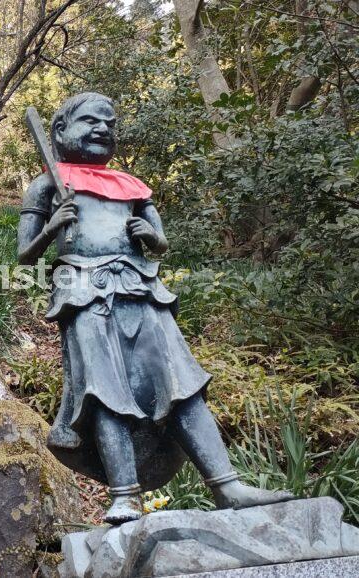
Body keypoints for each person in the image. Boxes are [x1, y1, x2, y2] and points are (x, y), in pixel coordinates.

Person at [17, 92, 292, 524]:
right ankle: (124, 494)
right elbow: (24, 254)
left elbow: (159, 241)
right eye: (90, 121)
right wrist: (52, 227)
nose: (103, 129)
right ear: (59, 131)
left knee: (181, 383)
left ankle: (227, 485)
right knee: (103, 391)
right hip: (85, 290)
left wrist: (152, 236)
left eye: (110, 123)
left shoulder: (130, 186)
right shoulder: (48, 183)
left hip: (142, 288)